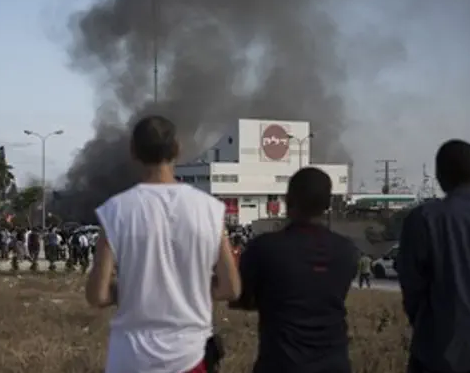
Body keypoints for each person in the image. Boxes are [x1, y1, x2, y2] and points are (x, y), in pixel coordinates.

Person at [86, 115, 240, 373]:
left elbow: (97, 295)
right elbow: (231, 288)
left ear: (133, 151)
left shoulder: (115, 210)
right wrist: (190, 290)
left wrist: (135, 291)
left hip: (130, 359)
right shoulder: (210, 210)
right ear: (177, 149)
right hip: (191, 356)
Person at [398, 140, 470, 373]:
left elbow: (411, 284)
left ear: (439, 174)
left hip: (434, 346)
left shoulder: (422, 219)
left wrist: (423, 320)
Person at [232, 167, 358, 373]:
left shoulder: (264, 248)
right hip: (334, 364)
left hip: (281, 363)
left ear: (288, 200)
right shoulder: (346, 250)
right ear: (327, 204)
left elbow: (240, 297)